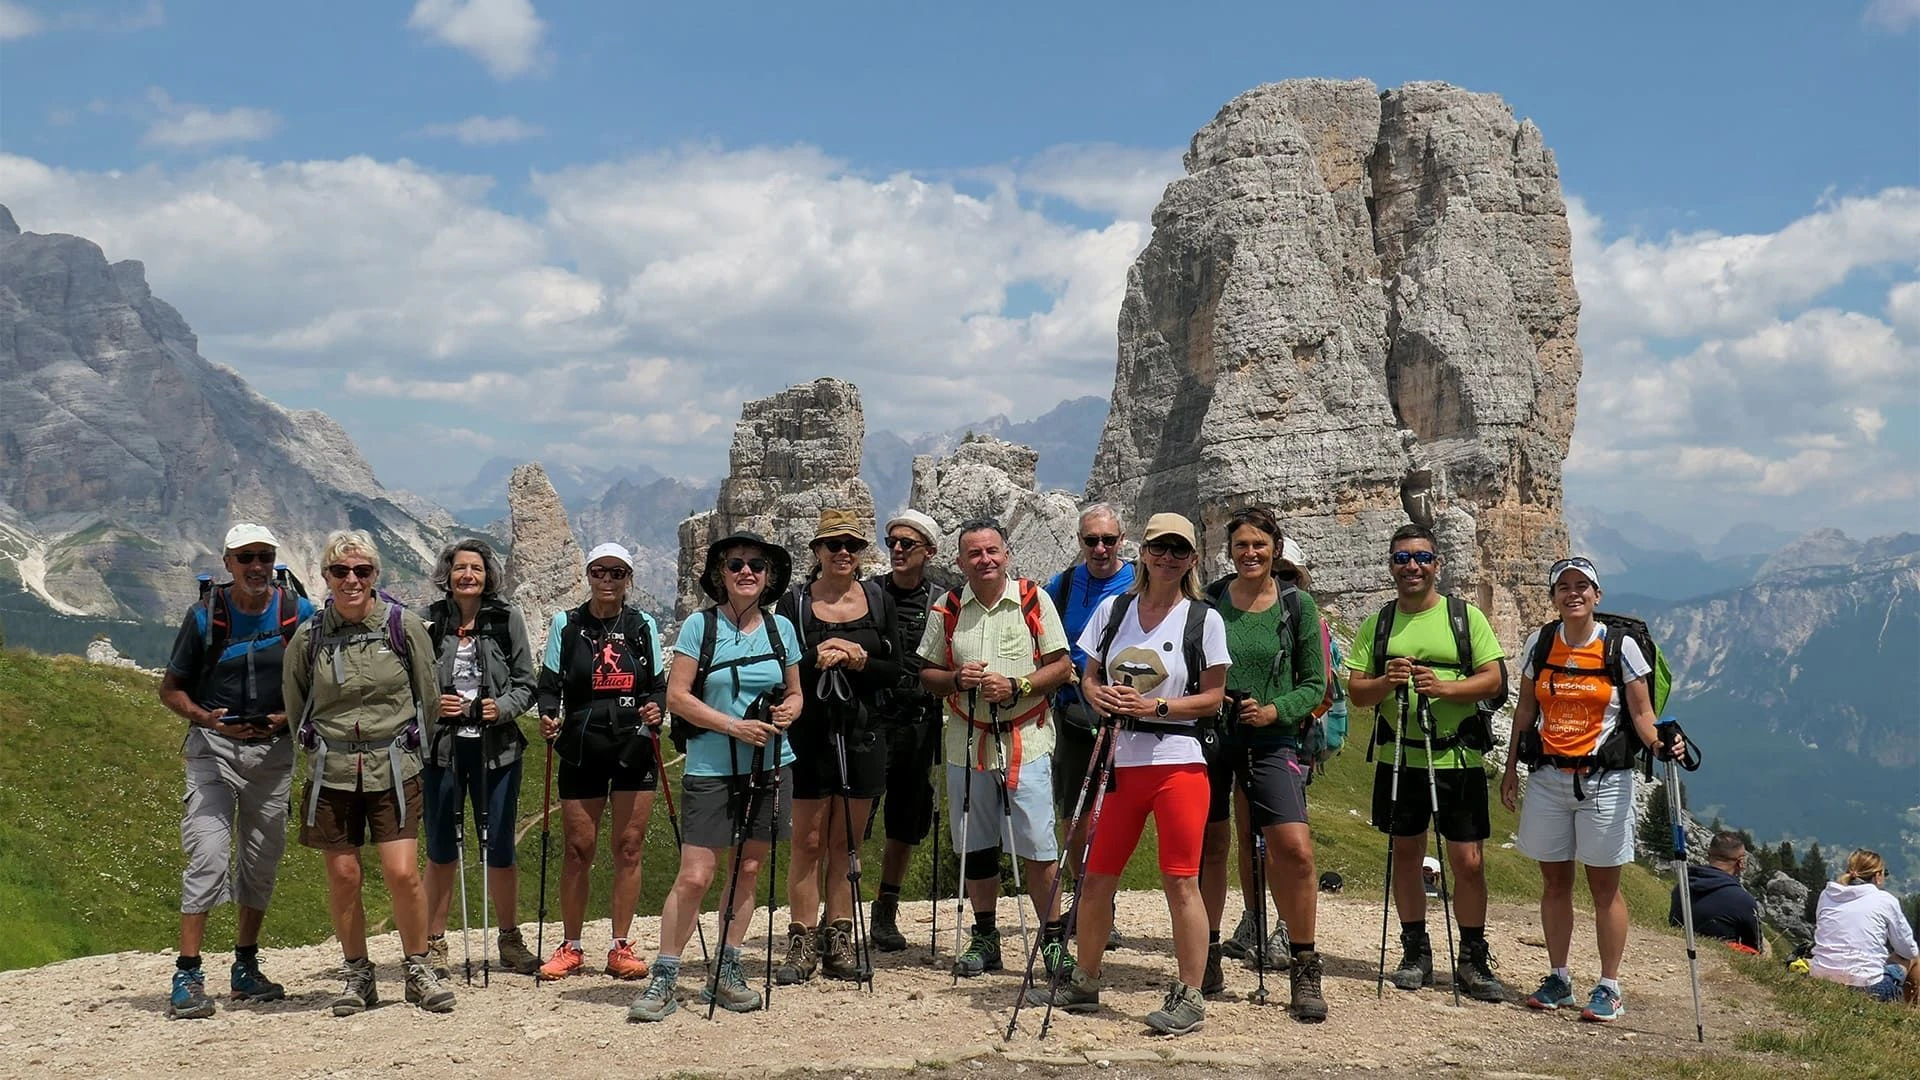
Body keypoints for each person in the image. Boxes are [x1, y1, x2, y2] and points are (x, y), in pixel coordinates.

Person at [1026, 512, 1229, 1036]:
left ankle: (1189, 993)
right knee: (1096, 875)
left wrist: (1153, 708)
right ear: (1143, 553)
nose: (1167, 558)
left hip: (1178, 762)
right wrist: (1098, 698)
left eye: (1178, 551)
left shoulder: (1203, 619)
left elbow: (1213, 697)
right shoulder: (1114, 609)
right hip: (1119, 758)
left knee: (1180, 878)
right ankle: (1086, 979)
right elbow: (1086, 674)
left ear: (1192, 559)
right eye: (1159, 548)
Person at [627, 531, 802, 1022]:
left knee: (747, 869)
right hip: (711, 767)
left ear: (769, 578)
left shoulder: (781, 628)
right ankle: (665, 975)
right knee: (696, 874)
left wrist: (788, 711)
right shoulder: (698, 627)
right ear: (719, 576)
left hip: (770, 766)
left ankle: (726, 970)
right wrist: (733, 726)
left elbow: (795, 692)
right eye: (736, 565)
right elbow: (677, 697)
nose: (747, 572)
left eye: (757, 566)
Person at [1500, 556, 1679, 1022]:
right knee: (1554, 881)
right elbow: (1524, 711)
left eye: (1583, 586)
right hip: (1546, 776)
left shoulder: (1621, 648)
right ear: (1553, 596)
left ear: (1597, 595)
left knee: (1605, 886)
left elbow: (1640, 715)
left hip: (1605, 781)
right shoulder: (1540, 643)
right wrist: (1508, 768)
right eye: (1564, 586)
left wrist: (1661, 743)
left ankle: (1609, 985)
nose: (1573, 593)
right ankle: (1559, 976)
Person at [282, 529, 452, 1015]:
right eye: (341, 571)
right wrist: (315, 751)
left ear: (376, 575)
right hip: (331, 771)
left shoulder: (404, 626)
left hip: (395, 767)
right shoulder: (310, 636)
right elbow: (296, 705)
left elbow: (429, 698)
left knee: (402, 873)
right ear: (326, 576)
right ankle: (358, 973)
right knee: (343, 874)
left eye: (362, 571)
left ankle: (416, 967)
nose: (352, 580)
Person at [157, 523, 315, 1018]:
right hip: (212, 751)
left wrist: (288, 716)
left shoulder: (298, 613)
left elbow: (319, 680)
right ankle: (187, 972)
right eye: (245, 557)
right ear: (228, 562)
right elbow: (171, 688)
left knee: (261, 860)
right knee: (208, 855)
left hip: (273, 752)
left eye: (264, 557)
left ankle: (245, 967)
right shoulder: (205, 616)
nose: (256, 567)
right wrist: (205, 718)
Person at [1347, 523, 1508, 1004]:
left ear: (1437, 564)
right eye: (1401, 559)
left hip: (1457, 756)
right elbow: (1357, 691)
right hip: (1402, 755)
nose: (1411, 566)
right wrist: (1386, 682)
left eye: (1420, 557)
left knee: (1467, 861)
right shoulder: (1378, 624)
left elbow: (1494, 680)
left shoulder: (1464, 617)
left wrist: (1444, 689)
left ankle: (1473, 956)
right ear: (1391, 566)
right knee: (1407, 854)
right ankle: (1415, 949)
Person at [917, 517, 1075, 978]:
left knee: (1038, 844)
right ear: (960, 561)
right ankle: (985, 937)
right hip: (965, 744)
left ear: (1005, 554)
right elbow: (926, 674)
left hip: (1027, 740)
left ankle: (1051, 940)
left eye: (992, 551)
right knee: (976, 844)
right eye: (974, 554)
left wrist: (1018, 684)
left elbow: (1062, 666)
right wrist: (954, 679)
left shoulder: (1032, 599)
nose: (985, 560)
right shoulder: (946, 609)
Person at [1198, 507, 1328, 1020]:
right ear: (1227, 551)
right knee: (1210, 843)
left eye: (1259, 544)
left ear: (1275, 548)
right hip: (1211, 736)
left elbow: (1316, 685)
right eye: (1241, 545)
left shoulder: (1298, 606)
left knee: (1293, 848)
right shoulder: (1207, 601)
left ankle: (1304, 964)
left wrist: (1275, 710)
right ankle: (1205, 952)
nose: (1250, 553)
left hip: (1273, 739)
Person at [772, 510, 902, 984]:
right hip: (808, 735)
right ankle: (802, 939)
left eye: (852, 544)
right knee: (807, 841)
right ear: (817, 552)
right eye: (833, 545)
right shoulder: (794, 603)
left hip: (864, 733)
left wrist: (860, 657)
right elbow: (780, 667)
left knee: (847, 842)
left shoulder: (878, 599)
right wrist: (816, 658)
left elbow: (898, 669)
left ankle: (839, 936)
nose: (843, 552)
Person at [535, 543, 666, 982]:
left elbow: (659, 686)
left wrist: (656, 709)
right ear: (588, 575)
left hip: (632, 741)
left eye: (617, 573)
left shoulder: (642, 625)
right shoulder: (566, 624)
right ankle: (571, 946)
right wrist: (548, 714)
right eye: (598, 572)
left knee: (628, 847)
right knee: (578, 849)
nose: (607, 580)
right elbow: (549, 683)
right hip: (581, 743)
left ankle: (620, 946)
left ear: (628, 578)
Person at [420, 539, 541, 978]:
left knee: (501, 848)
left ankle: (509, 940)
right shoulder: (430, 621)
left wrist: (501, 708)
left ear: (489, 575)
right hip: (442, 750)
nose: (468, 575)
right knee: (440, 849)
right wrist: (436, 704)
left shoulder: (507, 618)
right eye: (460, 568)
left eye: (476, 568)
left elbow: (527, 682)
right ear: (447, 575)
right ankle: (433, 944)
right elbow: (414, 684)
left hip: (498, 750)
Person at [1043, 504, 1135, 953]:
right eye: (1090, 540)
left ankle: (1103, 903)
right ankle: (1088, 898)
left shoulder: (1141, 581)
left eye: (1108, 540)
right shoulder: (1060, 587)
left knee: (1113, 816)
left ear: (1122, 540)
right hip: (1074, 715)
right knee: (1075, 816)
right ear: (1080, 541)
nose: (1100, 549)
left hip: (1131, 717)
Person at [867, 510, 943, 953]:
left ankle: (885, 912)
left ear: (928, 552)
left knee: (905, 823)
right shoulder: (868, 593)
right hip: (872, 723)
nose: (896, 549)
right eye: (892, 541)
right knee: (853, 821)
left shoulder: (942, 599)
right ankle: (834, 914)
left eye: (907, 544)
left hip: (918, 725)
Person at [1809, 849, 1919, 1003]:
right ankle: (1911, 1011)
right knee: (1913, 957)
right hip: (1867, 988)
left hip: (1820, 980)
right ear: (1877, 876)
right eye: (1884, 873)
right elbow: (1907, 949)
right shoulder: (1885, 900)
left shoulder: (1827, 894)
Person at [1673, 832, 1765, 955]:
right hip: (1721, 960)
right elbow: (1755, 949)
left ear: (1708, 855)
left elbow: (1674, 924)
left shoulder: (1682, 885)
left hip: (1679, 950)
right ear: (1740, 862)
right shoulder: (1743, 900)